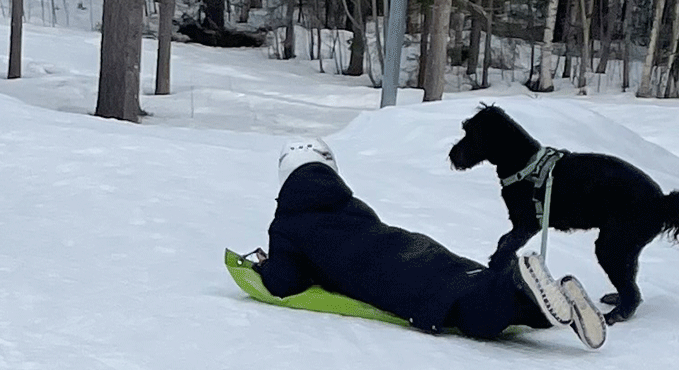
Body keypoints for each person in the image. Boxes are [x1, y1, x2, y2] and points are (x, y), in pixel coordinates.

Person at [247, 137, 607, 349]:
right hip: (415, 248)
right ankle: (550, 303)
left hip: (389, 277)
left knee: (469, 315)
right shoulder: (351, 204)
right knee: (469, 283)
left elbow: (285, 283)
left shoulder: (288, 224)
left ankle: (520, 283)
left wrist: (265, 267)